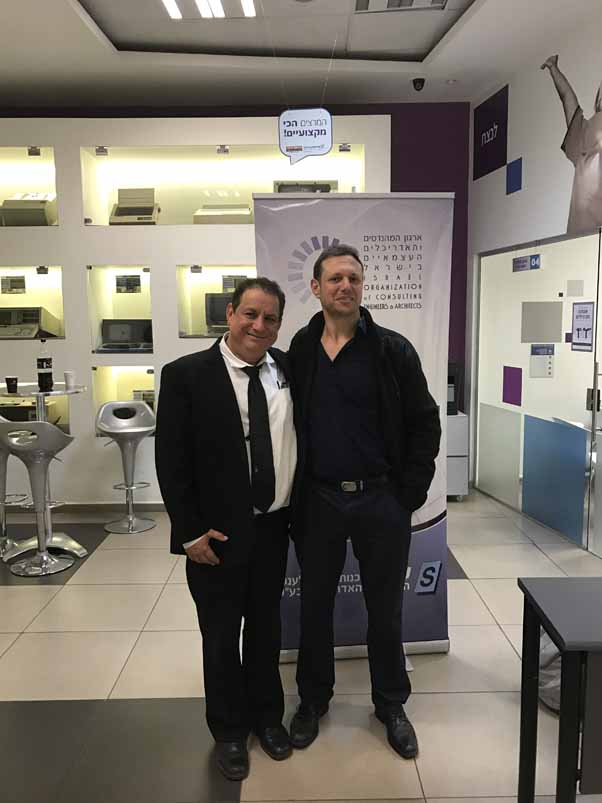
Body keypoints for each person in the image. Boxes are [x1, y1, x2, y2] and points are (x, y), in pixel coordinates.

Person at [287, 244, 441, 758]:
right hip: (318, 500)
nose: (345, 286)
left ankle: (390, 704)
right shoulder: (301, 348)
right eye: (335, 278)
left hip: (380, 500)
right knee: (314, 608)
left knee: (385, 610)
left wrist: (408, 494)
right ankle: (313, 701)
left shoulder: (392, 349)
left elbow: (425, 422)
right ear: (316, 287)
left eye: (353, 278)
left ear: (362, 286)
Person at [155, 277, 297, 782]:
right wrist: (189, 533)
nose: (259, 326)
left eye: (270, 318)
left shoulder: (288, 370)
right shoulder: (186, 375)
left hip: (274, 527)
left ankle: (267, 718)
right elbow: (171, 461)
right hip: (215, 536)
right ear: (231, 314)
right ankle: (229, 732)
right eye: (250, 314)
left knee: (266, 630)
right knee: (219, 637)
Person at [542, 54, 602, 235]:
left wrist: (554, 69)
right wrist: (554, 69)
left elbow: (568, 98)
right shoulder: (585, 131)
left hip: (580, 238)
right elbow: (568, 99)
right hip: (584, 237)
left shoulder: (584, 132)